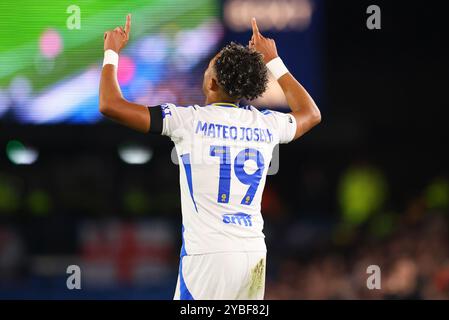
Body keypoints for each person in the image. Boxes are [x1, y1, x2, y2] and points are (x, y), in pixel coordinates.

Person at [99, 14, 321, 300]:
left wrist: (111, 52)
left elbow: (110, 104)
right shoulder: (267, 124)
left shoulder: (187, 121)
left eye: (207, 68)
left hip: (209, 257)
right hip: (253, 253)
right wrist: (273, 61)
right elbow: (311, 113)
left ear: (213, 83)